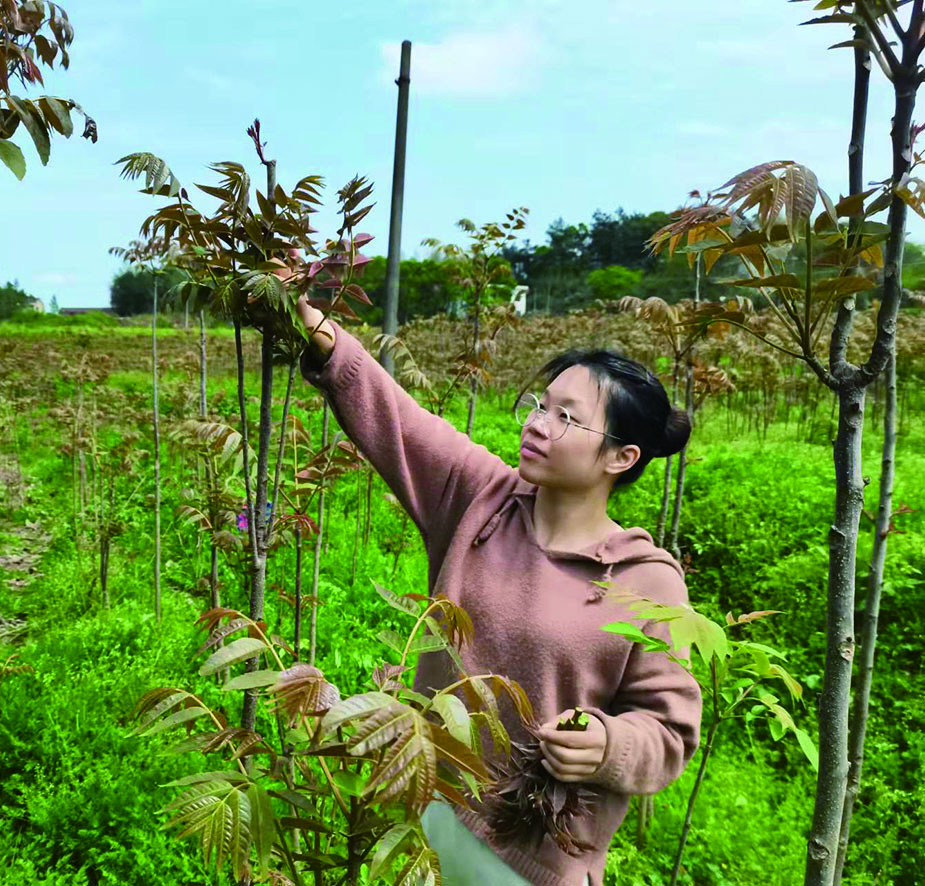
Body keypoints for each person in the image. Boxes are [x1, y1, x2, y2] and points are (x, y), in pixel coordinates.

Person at [295, 294, 703, 886]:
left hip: (529, 860)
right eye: (539, 405)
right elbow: (400, 420)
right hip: (427, 808)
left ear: (622, 456)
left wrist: (609, 744)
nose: (537, 424)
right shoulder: (481, 498)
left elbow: (668, 732)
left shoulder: (647, 580)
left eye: (566, 418)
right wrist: (323, 335)